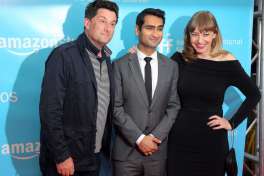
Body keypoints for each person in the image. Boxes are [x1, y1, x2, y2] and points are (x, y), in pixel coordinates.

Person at [168, 11, 261, 176]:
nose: (200, 40)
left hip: (212, 141)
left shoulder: (227, 61)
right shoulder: (180, 59)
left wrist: (231, 123)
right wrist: (138, 53)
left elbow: (254, 94)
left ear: (215, 34)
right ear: (188, 36)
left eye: (205, 34)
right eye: (194, 34)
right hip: (180, 139)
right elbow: (156, 78)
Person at [39, 1, 118, 176]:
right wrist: (61, 156)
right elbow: (50, 110)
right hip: (67, 161)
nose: (108, 28)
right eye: (102, 21)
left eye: (113, 23)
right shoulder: (63, 56)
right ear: (87, 23)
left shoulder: (107, 60)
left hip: (93, 157)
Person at [112, 8, 181, 176]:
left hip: (157, 153)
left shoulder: (171, 66)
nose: (155, 33)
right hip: (126, 155)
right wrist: (140, 139)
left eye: (159, 28)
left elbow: (173, 106)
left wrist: (155, 137)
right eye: (150, 28)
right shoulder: (119, 65)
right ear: (137, 30)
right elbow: (115, 107)